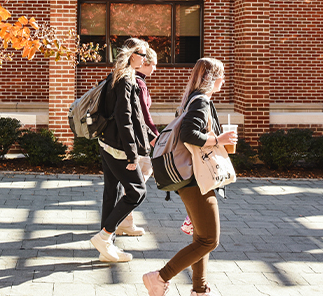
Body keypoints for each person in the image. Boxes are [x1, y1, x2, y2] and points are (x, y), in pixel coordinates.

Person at [142, 57, 237, 296]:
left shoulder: (190, 100)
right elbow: (189, 135)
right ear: (212, 78)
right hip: (197, 180)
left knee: (201, 237)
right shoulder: (201, 102)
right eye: (221, 76)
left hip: (191, 179)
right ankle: (159, 277)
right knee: (209, 240)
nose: (224, 81)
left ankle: (199, 290)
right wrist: (220, 140)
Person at [90, 38, 152, 262]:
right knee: (137, 191)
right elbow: (125, 118)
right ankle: (105, 236)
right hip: (118, 148)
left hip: (106, 143)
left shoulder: (114, 76)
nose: (145, 59)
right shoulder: (126, 80)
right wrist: (132, 153)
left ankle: (106, 247)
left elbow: (133, 119)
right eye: (143, 54)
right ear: (132, 54)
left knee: (112, 191)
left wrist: (152, 137)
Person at [117, 47, 159, 237]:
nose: (155, 69)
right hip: (138, 141)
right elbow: (143, 116)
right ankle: (123, 221)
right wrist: (155, 137)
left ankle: (123, 220)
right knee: (138, 181)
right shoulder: (139, 84)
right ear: (146, 62)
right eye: (154, 64)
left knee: (131, 183)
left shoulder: (132, 80)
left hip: (132, 140)